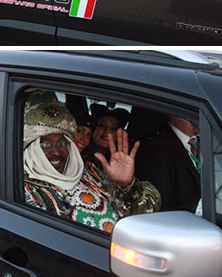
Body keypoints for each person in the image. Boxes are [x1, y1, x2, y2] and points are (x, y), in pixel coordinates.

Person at [23, 98, 160, 231]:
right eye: (46, 144)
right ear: (31, 149)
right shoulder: (25, 189)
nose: (57, 152)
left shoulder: (90, 173)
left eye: (62, 143)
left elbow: (142, 217)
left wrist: (128, 185)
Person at [135, 115, 201, 213]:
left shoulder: (201, 142)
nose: (198, 116)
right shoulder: (157, 150)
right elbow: (160, 206)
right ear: (175, 115)